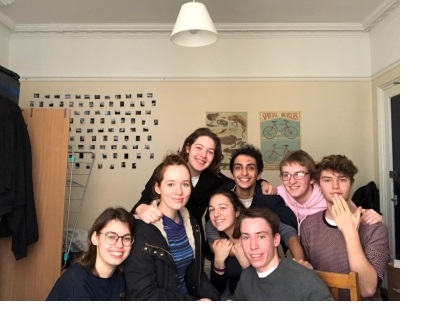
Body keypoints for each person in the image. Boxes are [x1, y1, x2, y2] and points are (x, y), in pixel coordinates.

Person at [131, 128, 275, 258]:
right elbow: (143, 199)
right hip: (162, 233)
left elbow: (241, 179)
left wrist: (262, 182)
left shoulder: (212, 179)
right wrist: (141, 208)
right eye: (199, 148)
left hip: (192, 237)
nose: (203, 155)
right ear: (188, 148)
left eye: (210, 152)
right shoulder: (169, 169)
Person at [123, 153, 220, 301]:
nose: (179, 191)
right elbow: (143, 294)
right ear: (157, 187)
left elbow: (196, 273)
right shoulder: (141, 230)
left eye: (185, 184)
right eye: (170, 184)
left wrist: (210, 297)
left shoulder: (191, 224)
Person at [299, 154, 391, 301]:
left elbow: (367, 289)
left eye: (342, 179)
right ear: (318, 184)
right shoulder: (308, 226)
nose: (335, 186)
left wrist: (350, 232)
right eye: (327, 180)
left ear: (351, 183)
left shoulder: (375, 228)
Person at [206, 144, 305, 261]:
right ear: (232, 174)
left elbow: (288, 233)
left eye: (250, 167)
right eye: (238, 167)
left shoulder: (270, 200)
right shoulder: (221, 196)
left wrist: (300, 263)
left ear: (259, 174)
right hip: (226, 270)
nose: (244, 173)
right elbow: (211, 228)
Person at [231, 208, 333, 301]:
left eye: (261, 237)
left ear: (276, 240)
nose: (253, 246)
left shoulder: (305, 280)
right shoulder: (246, 277)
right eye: (246, 237)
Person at [277, 149, 383, 234]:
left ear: (312, 178)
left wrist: (374, 216)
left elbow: (357, 214)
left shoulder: (329, 195)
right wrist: (263, 183)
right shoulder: (278, 194)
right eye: (286, 175)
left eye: (299, 174)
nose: (292, 181)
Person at [46, 207, 135, 301]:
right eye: (111, 237)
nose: (119, 245)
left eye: (126, 238)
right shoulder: (78, 281)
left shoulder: (121, 277)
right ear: (94, 238)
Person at [206, 188, 250, 300]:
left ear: (237, 212)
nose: (216, 214)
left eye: (222, 208)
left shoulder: (252, 236)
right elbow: (217, 289)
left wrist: (247, 266)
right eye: (211, 209)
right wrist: (218, 262)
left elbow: (268, 286)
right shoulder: (221, 243)